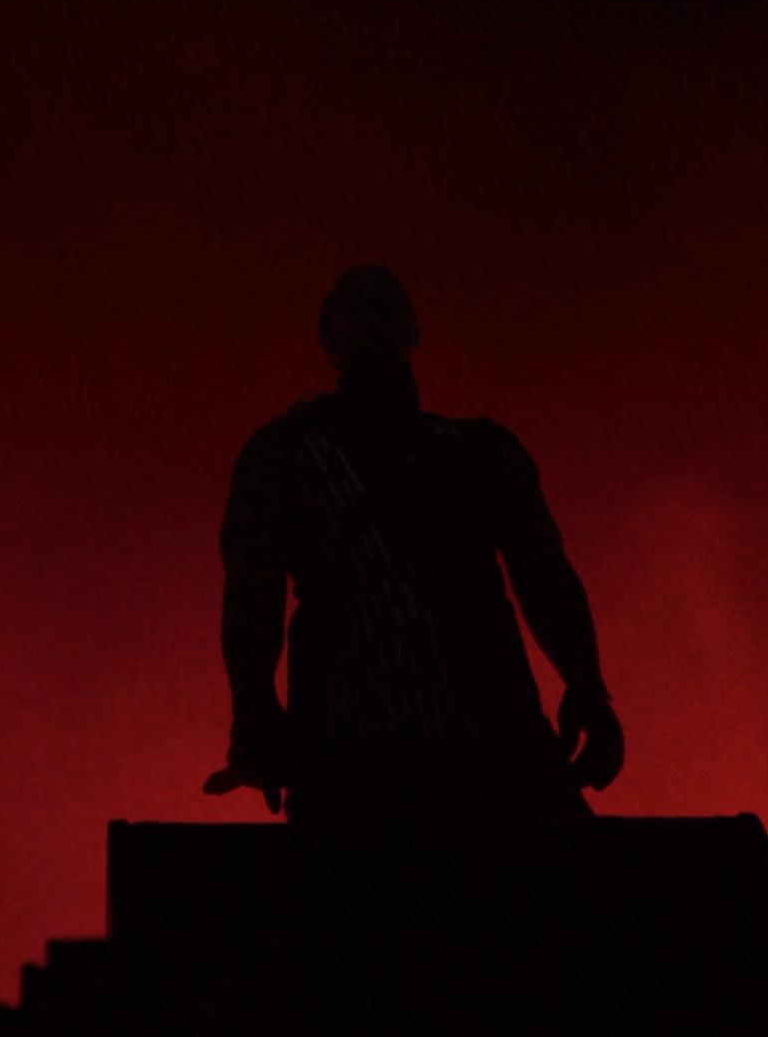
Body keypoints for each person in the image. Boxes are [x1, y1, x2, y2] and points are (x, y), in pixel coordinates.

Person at [203, 264, 621, 824]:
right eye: (359, 310)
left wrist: (588, 685)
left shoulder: (474, 452)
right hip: (381, 762)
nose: (371, 321)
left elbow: (545, 576)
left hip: (462, 756)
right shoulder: (288, 458)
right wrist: (253, 712)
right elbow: (252, 596)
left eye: (379, 308)